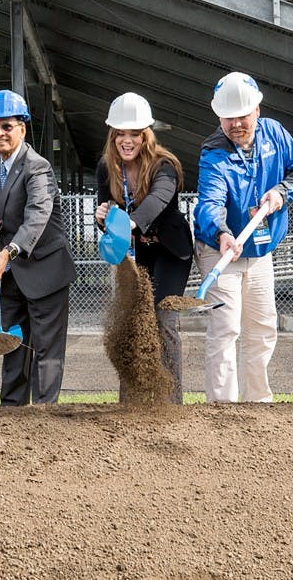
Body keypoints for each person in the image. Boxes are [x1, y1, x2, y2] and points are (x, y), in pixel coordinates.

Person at [194, 72, 293, 403]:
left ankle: (257, 405)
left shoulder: (274, 134)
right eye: (228, 117)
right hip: (221, 250)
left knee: (261, 328)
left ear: (257, 111)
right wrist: (221, 233)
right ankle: (222, 408)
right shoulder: (214, 152)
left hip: (260, 251)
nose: (235, 124)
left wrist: (282, 191)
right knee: (226, 328)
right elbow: (211, 202)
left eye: (242, 116)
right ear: (219, 116)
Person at [0, 89, 77, 406]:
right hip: (11, 274)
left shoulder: (38, 167)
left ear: (23, 128)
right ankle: (12, 409)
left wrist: (9, 251)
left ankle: (44, 413)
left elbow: (37, 217)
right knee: (13, 343)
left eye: (7, 126)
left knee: (46, 347)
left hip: (44, 268)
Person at [94, 92, 192, 404]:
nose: (126, 140)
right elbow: (106, 211)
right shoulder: (106, 168)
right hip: (136, 252)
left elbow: (157, 202)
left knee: (163, 318)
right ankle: (132, 399)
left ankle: (171, 400)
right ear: (112, 135)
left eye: (133, 134)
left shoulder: (165, 166)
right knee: (131, 319)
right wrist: (102, 218)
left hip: (169, 250)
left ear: (145, 135)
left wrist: (129, 222)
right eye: (120, 133)